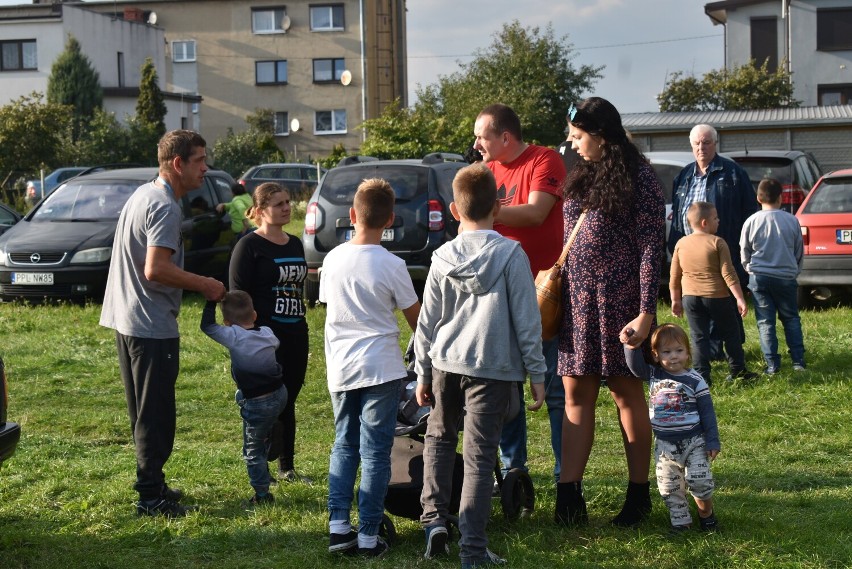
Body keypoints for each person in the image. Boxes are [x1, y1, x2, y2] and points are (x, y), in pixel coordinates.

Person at [415, 163, 546, 567]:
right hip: (492, 370)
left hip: (444, 365)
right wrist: (537, 373)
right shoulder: (510, 255)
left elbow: (427, 320)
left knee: (438, 440)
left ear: (455, 210)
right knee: (479, 458)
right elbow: (528, 319)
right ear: (500, 205)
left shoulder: (440, 256)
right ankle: (472, 549)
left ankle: (434, 521)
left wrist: (421, 369)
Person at [99, 129, 226, 517]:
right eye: (200, 160)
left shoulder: (144, 193)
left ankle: (152, 483)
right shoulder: (165, 206)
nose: (205, 168)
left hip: (126, 318)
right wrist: (205, 283)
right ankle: (150, 498)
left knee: (143, 410)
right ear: (178, 163)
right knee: (155, 414)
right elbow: (155, 269)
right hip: (149, 325)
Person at [556, 97, 664, 527]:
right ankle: (569, 497)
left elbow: (650, 249)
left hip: (621, 303)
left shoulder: (641, 178)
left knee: (625, 394)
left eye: (579, 136)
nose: (573, 144)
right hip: (578, 302)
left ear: (601, 136)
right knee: (574, 394)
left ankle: (638, 496)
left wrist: (645, 313)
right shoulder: (582, 176)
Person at [321, 178, 421, 557]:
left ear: (351, 215)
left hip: (341, 369)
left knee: (344, 445)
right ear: (390, 219)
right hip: (381, 367)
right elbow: (417, 320)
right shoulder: (392, 264)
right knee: (376, 452)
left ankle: (338, 528)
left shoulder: (332, 259)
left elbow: (333, 309)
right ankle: (368, 534)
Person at [473, 103, 567, 483]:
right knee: (505, 390)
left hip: (546, 295)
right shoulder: (486, 172)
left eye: (482, 136)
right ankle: (514, 473)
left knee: (556, 389)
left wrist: (482, 212)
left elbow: (535, 213)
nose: (476, 143)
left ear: (505, 137)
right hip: (502, 294)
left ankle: (565, 475)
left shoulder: (545, 160)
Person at [229, 182, 311, 483]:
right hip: (263, 337)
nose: (287, 207)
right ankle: (260, 467)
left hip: (295, 332)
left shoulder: (294, 243)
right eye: (279, 204)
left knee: (289, 398)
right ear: (262, 210)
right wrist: (244, 338)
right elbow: (236, 295)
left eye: (288, 201)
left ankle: (286, 467)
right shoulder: (248, 246)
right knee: (265, 403)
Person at [668, 124, 758, 359]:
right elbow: (677, 214)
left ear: (715, 144)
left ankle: (728, 352)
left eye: (706, 142)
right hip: (690, 253)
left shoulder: (732, 173)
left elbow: (750, 211)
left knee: (723, 301)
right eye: (697, 143)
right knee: (698, 302)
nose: (701, 147)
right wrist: (674, 245)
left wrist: (744, 249)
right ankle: (707, 354)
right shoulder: (684, 176)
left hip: (722, 249)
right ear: (691, 145)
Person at [622, 323, 720, 533]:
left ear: (687, 353)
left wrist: (712, 441)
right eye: (666, 352)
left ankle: (706, 515)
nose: (673, 356)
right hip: (665, 445)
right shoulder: (654, 375)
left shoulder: (695, 381)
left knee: (700, 481)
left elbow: (708, 414)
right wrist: (630, 345)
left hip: (694, 442)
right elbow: (635, 367)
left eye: (679, 350)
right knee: (670, 486)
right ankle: (681, 522)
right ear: (656, 355)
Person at [200, 291, 287, 505]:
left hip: (258, 402)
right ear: (255, 315)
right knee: (241, 396)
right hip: (280, 394)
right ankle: (268, 432)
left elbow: (207, 326)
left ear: (227, 322)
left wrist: (211, 302)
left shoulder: (233, 335)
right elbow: (274, 344)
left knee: (251, 451)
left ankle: (262, 495)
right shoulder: (267, 333)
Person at [669, 201, 755, 384]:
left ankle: (702, 376)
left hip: (690, 298)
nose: (719, 220)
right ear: (704, 223)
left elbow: (674, 275)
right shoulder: (717, 242)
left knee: (698, 336)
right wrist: (739, 298)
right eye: (715, 218)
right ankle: (738, 371)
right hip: (717, 296)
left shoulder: (681, 243)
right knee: (731, 333)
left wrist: (675, 300)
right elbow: (728, 273)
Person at [740, 178, 806, 373]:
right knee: (791, 318)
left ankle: (772, 364)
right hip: (786, 277)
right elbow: (799, 250)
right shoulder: (792, 220)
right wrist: (795, 270)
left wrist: (749, 269)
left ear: (758, 198)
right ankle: (797, 361)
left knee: (765, 321)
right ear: (781, 197)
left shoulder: (751, 221)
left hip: (759, 276)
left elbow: (744, 250)